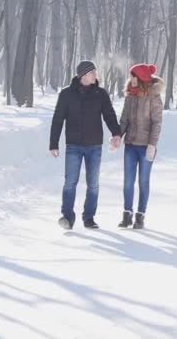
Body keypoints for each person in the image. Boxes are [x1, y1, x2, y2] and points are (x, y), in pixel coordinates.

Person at [50, 60, 122, 230]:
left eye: (95, 72)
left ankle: (89, 217)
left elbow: (109, 115)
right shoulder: (67, 94)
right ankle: (67, 217)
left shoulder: (101, 94)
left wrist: (116, 133)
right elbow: (58, 119)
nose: (95, 75)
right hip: (73, 145)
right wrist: (53, 143)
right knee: (70, 182)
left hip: (94, 146)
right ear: (82, 75)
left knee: (93, 183)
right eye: (92, 73)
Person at [117, 63, 164, 229]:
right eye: (131, 76)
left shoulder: (154, 97)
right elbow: (124, 120)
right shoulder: (130, 95)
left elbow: (157, 123)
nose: (131, 80)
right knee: (128, 181)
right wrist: (117, 136)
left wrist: (152, 145)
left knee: (143, 181)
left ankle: (140, 215)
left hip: (146, 147)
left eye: (134, 76)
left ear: (142, 79)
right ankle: (127, 214)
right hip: (130, 144)